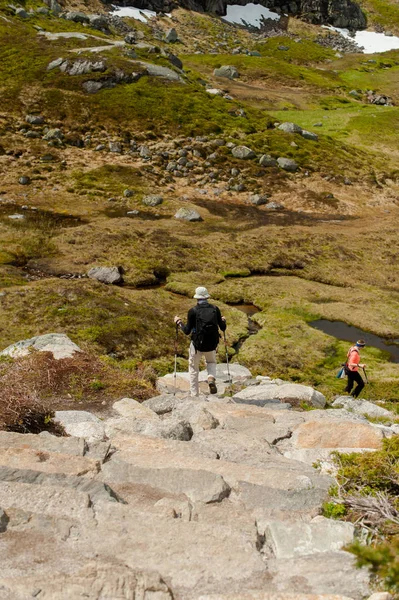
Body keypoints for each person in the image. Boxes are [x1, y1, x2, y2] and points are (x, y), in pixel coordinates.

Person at [174, 287, 226, 397]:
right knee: (211, 363)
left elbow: (187, 331)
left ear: (197, 298)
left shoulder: (193, 311)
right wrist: (223, 321)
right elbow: (223, 327)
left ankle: (194, 394)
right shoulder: (215, 309)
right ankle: (210, 378)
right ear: (207, 297)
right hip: (212, 345)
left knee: (193, 368)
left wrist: (179, 322)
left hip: (197, 345)